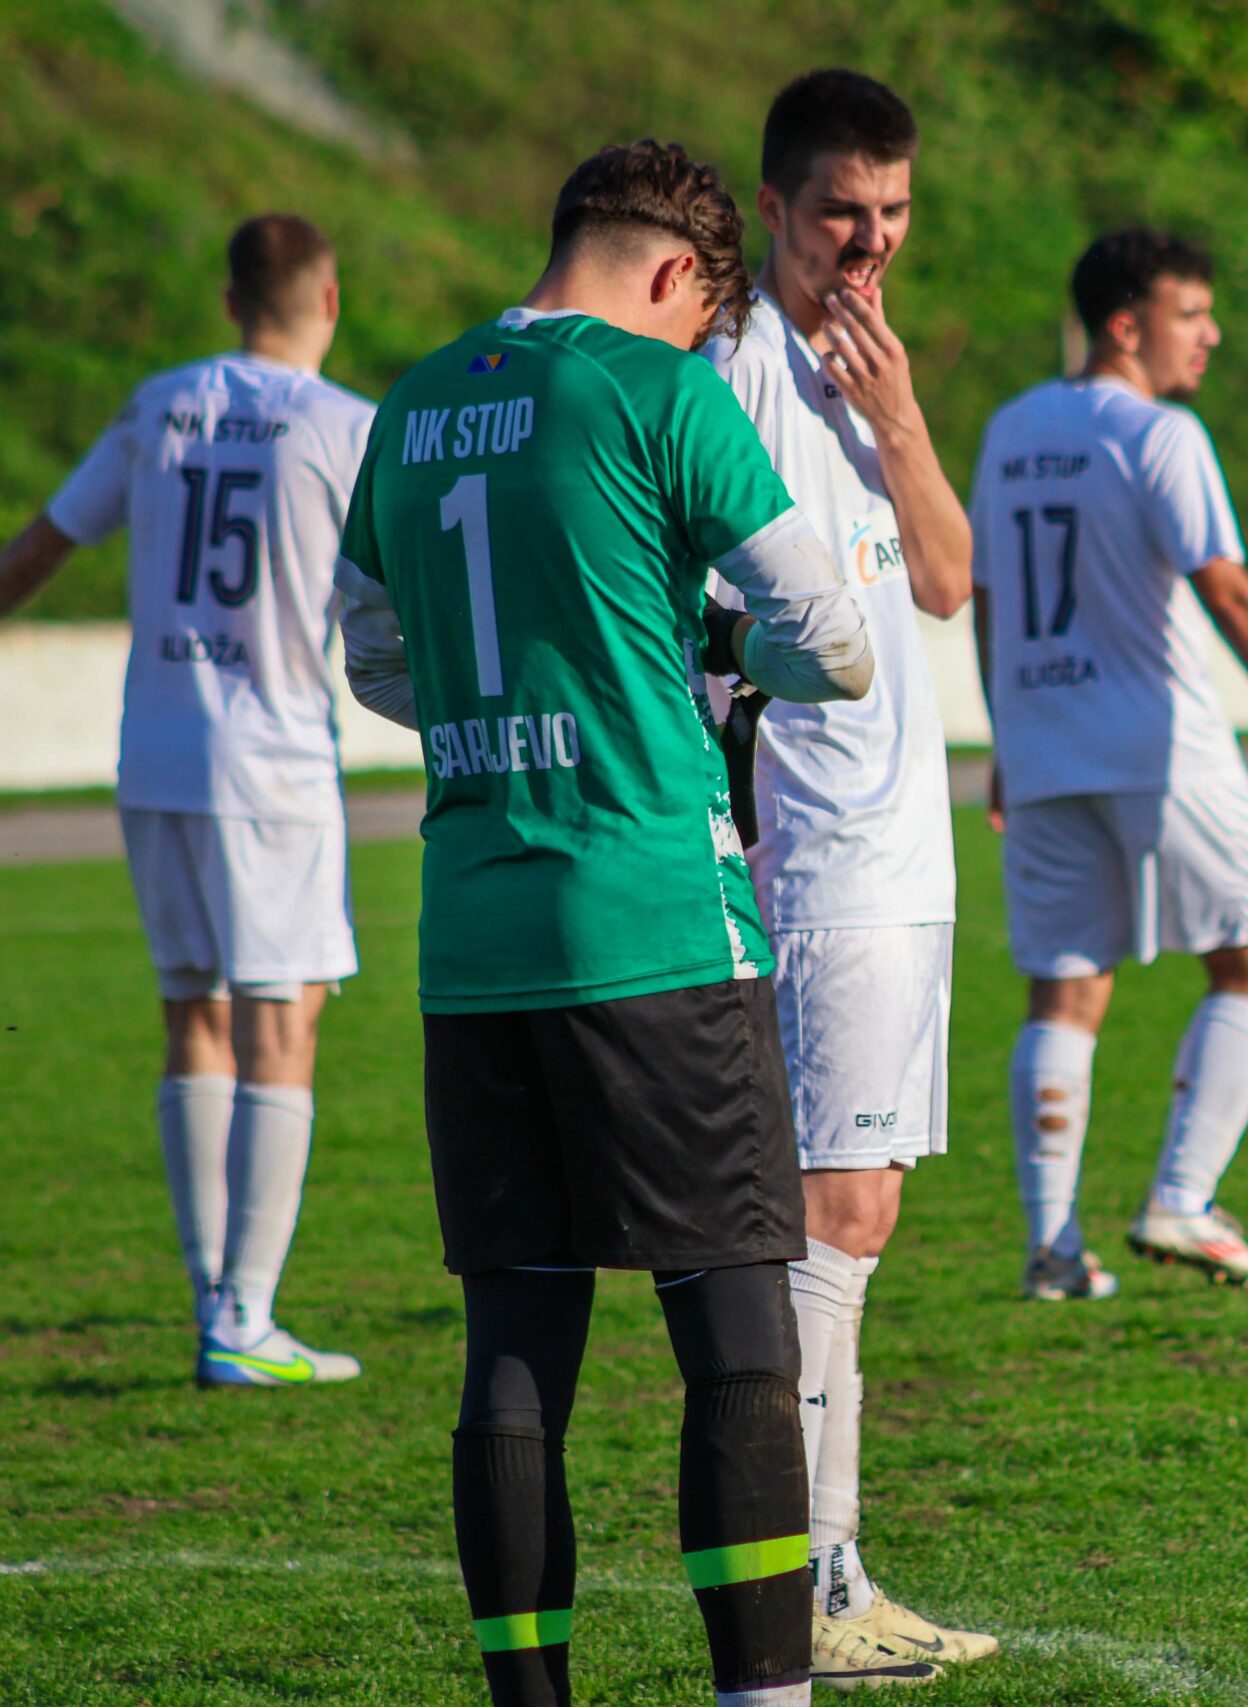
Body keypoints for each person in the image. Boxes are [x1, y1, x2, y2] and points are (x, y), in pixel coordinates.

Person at [332, 139, 876, 1707]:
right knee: (739, 1334)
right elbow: (832, 640)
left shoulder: (413, 404)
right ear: (677, 274)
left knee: (513, 1348)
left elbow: (376, 657)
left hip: (475, 938)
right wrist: (707, 655)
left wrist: (523, 701)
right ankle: (762, 1693)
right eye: (704, 322)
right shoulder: (658, 393)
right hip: (654, 927)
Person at [701, 68, 995, 1684]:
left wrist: (900, 420)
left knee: (854, 1203)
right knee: (836, 1204)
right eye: (840, 213)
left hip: (897, 851)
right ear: (774, 209)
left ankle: (828, 1567)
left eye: (894, 213)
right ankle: (815, 1576)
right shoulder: (735, 375)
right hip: (814, 852)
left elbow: (945, 581)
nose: (870, 242)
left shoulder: (863, 380)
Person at [0, 214, 372, 1388]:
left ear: (228, 302)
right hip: (272, 765)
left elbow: (38, 550)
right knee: (282, 1023)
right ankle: (244, 1321)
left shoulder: (160, 405)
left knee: (194, 1016)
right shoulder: (345, 426)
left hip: (155, 752)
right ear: (328, 301)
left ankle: (217, 1299)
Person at [969, 227, 1248, 1301]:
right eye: (1190, 314)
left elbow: (992, 599)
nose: (1210, 334)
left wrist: (1007, 736)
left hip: (1044, 747)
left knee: (1063, 990)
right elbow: (1225, 588)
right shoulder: (1161, 433)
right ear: (1124, 325)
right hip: (1163, 748)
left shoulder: (1011, 429)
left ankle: (1053, 1247)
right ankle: (1182, 1200)